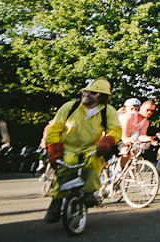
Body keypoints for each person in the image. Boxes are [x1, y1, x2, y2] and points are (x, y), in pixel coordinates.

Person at [44, 78, 121, 223]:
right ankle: (56, 202)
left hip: (90, 147)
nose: (86, 94)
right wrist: (54, 149)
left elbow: (115, 130)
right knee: (65, 168)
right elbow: (54, 129)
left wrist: (106, 142)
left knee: (93, 162)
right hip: (68, 148)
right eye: (86, 91)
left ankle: (88, 192)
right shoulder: (69, 107)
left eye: (92, 92)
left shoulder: (108, 111)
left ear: (102, 96)